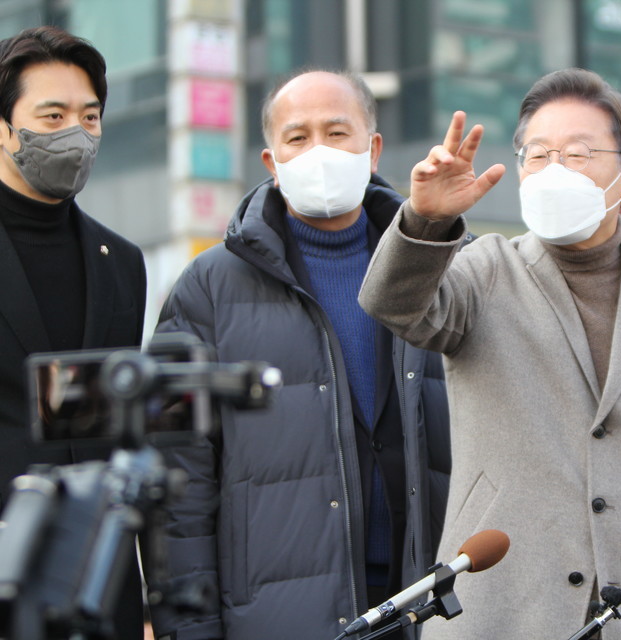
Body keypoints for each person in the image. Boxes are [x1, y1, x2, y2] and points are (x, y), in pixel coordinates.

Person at [358, 67, 621, 640]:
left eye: (578, 154)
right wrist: (426, 219)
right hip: (504, 606)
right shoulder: (484, 271)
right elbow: (395, 306)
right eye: (538, 154)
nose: (554, 170)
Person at [148, 70, 452, 640]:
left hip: (432, 607)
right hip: (280, 614)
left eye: (337, 133)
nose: (318, 152)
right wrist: (188, 628)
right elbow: (177, 482)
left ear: (373, 148)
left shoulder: (439, 267)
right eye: (297, 137)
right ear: (272, 161)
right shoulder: (207, 290)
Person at [0, 25, 146, 639]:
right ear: (4, 127)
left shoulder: (123, 261)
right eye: (52, 114)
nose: (75, 135)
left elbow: (119, 430)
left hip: (98, 585)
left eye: (89, 117)